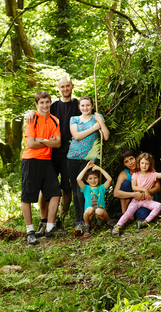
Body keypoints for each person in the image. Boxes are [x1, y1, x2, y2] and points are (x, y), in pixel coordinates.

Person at [26, 76, 80, 236]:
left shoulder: (77, 105)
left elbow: (88, 113)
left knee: (66, 188)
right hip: (50, 154)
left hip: (70, 153)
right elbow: (39, 112)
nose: (65, 89)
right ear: (59, 88)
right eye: (62, 86)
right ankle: (44, 221)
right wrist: (30, 111)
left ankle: (59, 219)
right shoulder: (54, 105)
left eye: (67, 86)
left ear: (72, 86)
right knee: (45, 189)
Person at [21, 91, 66, 245]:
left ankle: (50, 228)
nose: (45, 105)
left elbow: (58, 143)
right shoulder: (32, 118)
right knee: (27, 197)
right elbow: (31, 144)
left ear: (50, 103)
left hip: (47, 160)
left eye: (47, 102)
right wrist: (48, 141)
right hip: (31, 160)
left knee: (55, 193)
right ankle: (30, 231)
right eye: (41, 103)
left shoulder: (55, 120)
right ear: (36, 104)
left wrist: (41, 140)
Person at [67, 96, 110, 234]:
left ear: (92, 106)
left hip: (89, 158)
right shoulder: (74, 119)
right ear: (79, 107)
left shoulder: (97, 117)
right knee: (76, 188)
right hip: (73, 157)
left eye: (88, 105)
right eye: (82, 105)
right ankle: (79, 219)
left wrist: (100, 122)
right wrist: (93, 128)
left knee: (88, 188)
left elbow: (106, 136)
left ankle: (91, 217)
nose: (85, 108)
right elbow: (76, 136)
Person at [112, 152, 161, 235]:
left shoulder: (152, 174)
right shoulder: (135, 175)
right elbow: (133, 187)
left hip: (147, 201)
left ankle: (145, 222)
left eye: (146, 164)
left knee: (158, 206)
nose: (144, 165)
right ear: (139, 163)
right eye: (142, 163)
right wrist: (144, 190)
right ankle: (118, 226)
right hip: (136, 200)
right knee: (128, 213)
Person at [76, 160, 115, 237]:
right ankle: (87, 226)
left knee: (99, 210)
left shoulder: (101, 188)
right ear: (86, 180)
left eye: (95, 178)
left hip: (100, 216)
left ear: (99, 178)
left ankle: (109, 222)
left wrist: (100, 169)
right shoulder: (86, 189)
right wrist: (86, 168)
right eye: (90, 178)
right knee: (89, 209)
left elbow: (109, 179)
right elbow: (78, 179)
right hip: (90, 217)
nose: (93, 180)